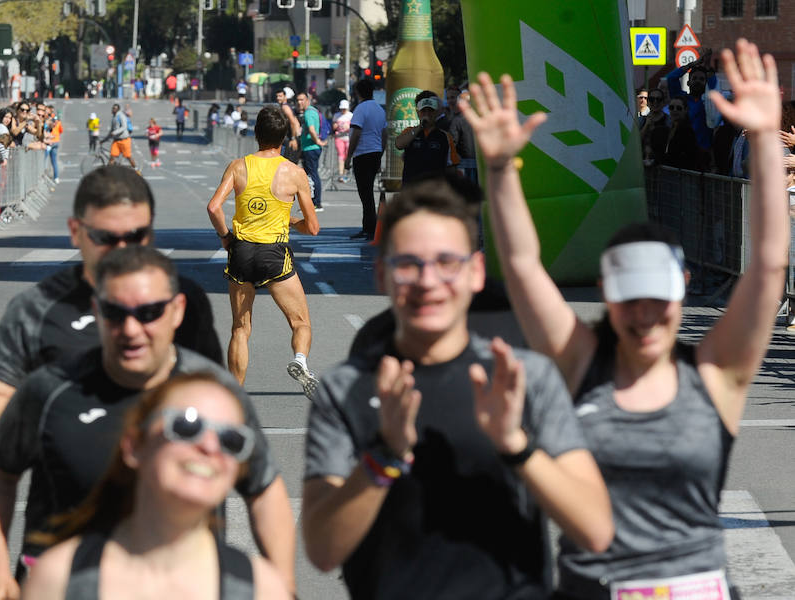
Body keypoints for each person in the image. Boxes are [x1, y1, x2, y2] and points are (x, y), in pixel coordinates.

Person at [463, 40, 786, 598]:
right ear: (607, 296)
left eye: (656, 299)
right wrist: (499, 168)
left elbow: (769, 262)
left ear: (680, 292)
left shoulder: (714, 375)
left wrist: (762, 138)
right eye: (629, 298)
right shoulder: (580, 360)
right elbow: (520, 265)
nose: (644, 315)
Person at [301, 177, 613, 598]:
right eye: (408, 264)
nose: (428, 281)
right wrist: (383, 456)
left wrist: (515, 445)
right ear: (380, 274)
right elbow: (321, 550)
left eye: (447, 262)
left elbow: (596, 530)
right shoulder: (347, 388)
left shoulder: (523, 377)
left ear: (476, 273)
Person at [0, 246, 296, 597]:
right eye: (115, 313)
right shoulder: (49, 388)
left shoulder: (211, 394)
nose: (131, 329)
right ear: (97, 311)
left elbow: (264, 490)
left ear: (176, 312)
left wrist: (283, 582)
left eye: (149, 313)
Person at [0, 166, 223, 439]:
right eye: (105, 238)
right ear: (76, 231)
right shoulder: (37, 306)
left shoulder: (184, 300)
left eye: (136, 236)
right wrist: (71, 411)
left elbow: (216, 399)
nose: (123, 249)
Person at [21, 373, 290, 599]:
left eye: (231, 440)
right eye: (186, 426)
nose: (209, 446)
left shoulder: (262, 590)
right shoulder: (59, 580)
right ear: (134, 445)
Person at [206, 105, 321, 396]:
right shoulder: (294, 173)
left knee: (240, 329)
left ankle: (236, 394)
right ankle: (300, 361)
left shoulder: (238, 165)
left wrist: (225, 237)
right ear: (284, 137)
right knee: (300, 322)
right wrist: (291, 220)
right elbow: (313, 227)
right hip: (274, 255)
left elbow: (213, 207)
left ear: (256, 134)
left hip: (241, 251)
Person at [344, 79, 386, 240]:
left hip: (362, 154)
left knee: (365, 193)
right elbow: (384, 134)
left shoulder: (360, 109)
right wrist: (380, 153)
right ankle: (370, 226)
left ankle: (369, 228)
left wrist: (349, 156)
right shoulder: (379, 109)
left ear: (358, 93)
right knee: (368, 192)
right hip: (375, 153)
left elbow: (356, 133)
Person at [395, 92, 458, 185]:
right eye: (423, 111)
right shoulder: (410, 131)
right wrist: (420, 126)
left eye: (430, 110)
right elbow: (399, 144)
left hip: (434, 190)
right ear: (418, 113)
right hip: (411, 187)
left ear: (436, 113)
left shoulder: (445, 136)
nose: (427, 114)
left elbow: (451, 166)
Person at [295, 91, 326, 212]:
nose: (299, 102)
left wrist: (318, 142)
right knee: (310, 176)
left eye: (302, 100)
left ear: (307, 100)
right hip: (310, 148)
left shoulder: (308, 113)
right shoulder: (312, 111)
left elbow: (312, 130)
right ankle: (312, 203)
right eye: (297, 100)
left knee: (313, 176)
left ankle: (317, 203)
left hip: (311, 149)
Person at [449, 89, 478, 184]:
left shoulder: (457, 121)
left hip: (464, 164)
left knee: (467, 193)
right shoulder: (481, 118)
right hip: (481, 164)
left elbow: (452, 143)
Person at [102, 103, 138, 172]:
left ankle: (136, 169)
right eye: (113, 108)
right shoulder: (113, 118)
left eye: (114, 108)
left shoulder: (121, 116)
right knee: (112, 157)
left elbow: (124, 127)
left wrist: (115, 132)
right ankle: (108, 173)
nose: (113, 109)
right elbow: (111, 130)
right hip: (116, 141)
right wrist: (104, 140)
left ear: (118, 109)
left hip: (124, 140)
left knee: (128, 156)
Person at [332, 99, 352, 183]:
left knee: (347, 156)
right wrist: (335, 126)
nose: (343, 110)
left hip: (348, 138)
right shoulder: (336, 115)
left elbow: (354, 128)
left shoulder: (351, 115)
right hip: (339, 137)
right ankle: (341, 174)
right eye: (342, 109)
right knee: (340, 155)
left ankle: (345, 173)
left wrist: (348, 127)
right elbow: (333, 126)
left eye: (344, 109)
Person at [44, 107, 62, 183]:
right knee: (54, 161)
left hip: (49, 142)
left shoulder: (49, 121)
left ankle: (43, 175)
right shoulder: (59, 123)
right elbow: (61, 131)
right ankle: (56, 177)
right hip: (56, 141)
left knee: (44, 159)